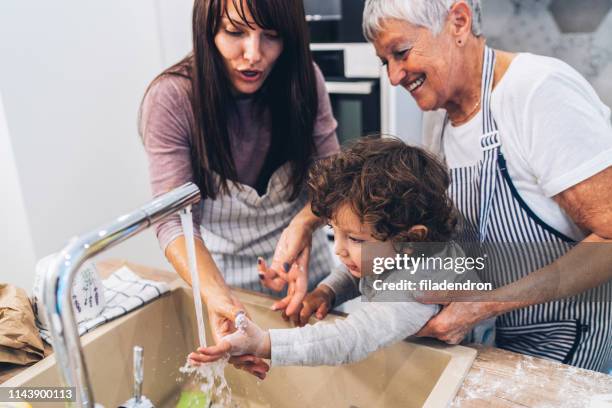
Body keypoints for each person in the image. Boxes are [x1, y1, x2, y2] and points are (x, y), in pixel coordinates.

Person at [361, 0, 612, 371]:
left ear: (459, 22)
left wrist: (486, 304)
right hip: (493, 348)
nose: (395, 77)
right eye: (386, 62)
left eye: (401, 53)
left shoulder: (536, 92)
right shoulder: (440, 119)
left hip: (570, 348)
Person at [139, 0, 339, 378]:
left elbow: (332, 181)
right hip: (224, 277)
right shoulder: (173, 98)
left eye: (272, 36)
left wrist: (302, 226)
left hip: (306, 273)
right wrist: (220, 299)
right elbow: (172, 223)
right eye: (235, 33)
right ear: (207, 30)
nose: (253, 55)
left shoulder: (304, 79)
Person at [188, 137, 470, 367]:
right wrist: (328, 291)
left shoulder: (420, 287)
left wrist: (265, 343)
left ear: (410, 239)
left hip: (446, 364)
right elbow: (367, 270)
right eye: (336, 232)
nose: (339, 250)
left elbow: (351, 337)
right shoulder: (398, 249)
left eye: (355, 240)